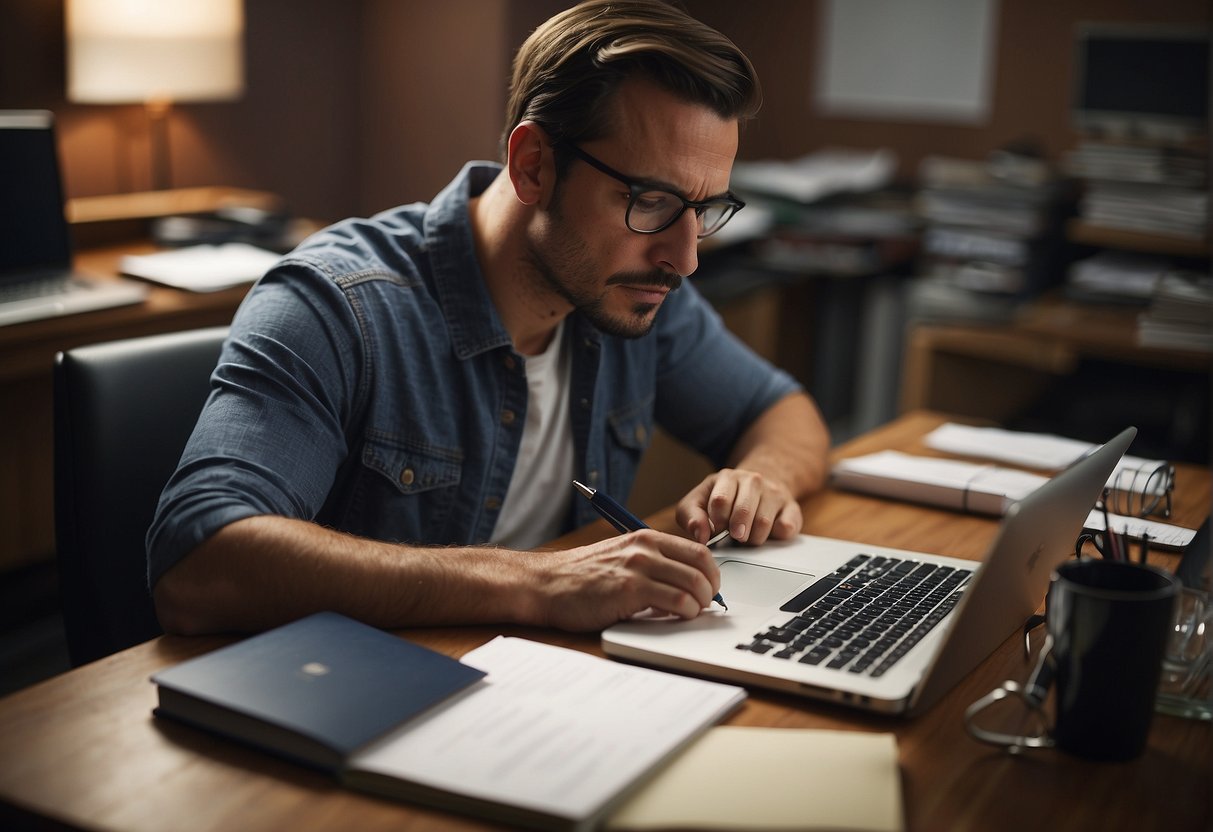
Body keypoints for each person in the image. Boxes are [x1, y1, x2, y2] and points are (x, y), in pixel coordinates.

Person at [148, 0, 830, 636]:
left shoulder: (633, 292)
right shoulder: (336, 303)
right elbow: (199, 557)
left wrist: (761, 479)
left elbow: (781, 410)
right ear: (533, 165)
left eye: (704, 210)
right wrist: (532, 582)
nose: (685, 260)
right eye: (650, 201)